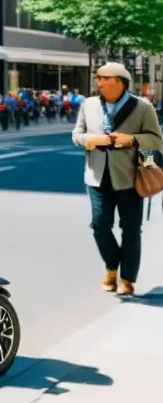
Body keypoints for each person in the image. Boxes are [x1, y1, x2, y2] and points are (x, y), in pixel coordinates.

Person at [72, 62, 163, 296]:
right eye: (98, 78)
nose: (98, 83)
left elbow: (156, 140)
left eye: (104, 78)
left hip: (131, 178)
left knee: (131, 229)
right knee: (99, 225)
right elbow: (76, 135)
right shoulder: (88, 104)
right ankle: (112, 265)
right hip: (96, 176)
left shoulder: (142, 107)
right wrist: (90, 140)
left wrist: (131, 140)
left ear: (119, 82)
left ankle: (127, 279)